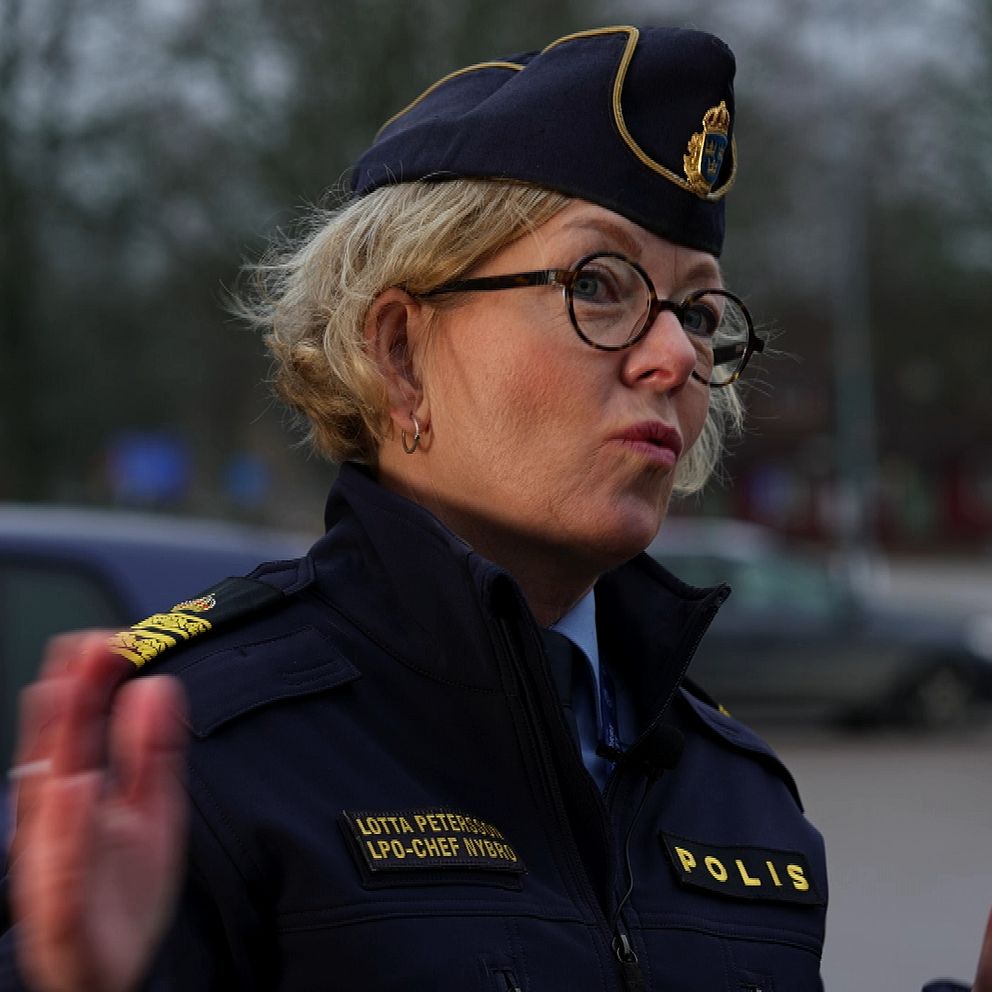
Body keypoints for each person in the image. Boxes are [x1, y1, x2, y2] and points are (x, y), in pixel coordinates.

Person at [0, 23, 989, 992]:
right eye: (598, 284)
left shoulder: (736, 785)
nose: (676, 356)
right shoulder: (195, 754)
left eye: (696, 312)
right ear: (399, 353)